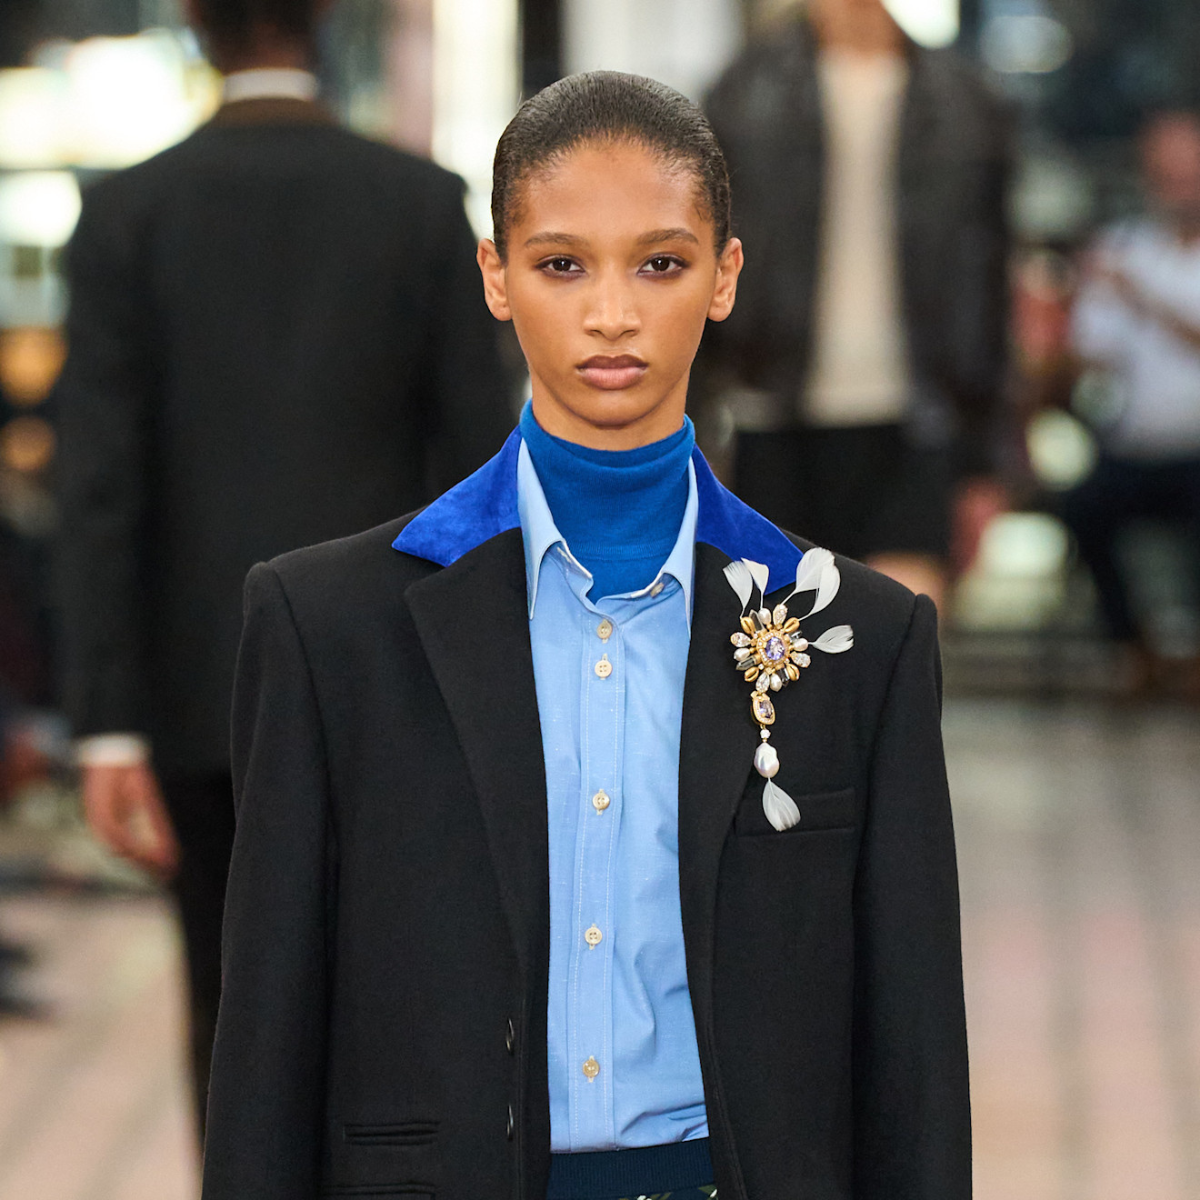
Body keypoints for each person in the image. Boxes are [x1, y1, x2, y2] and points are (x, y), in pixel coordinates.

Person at [202, 71, 969, 1200]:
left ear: (725, 278)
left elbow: (910, 1050)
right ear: (496, 278)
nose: (612, 312)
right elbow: (266, 1041)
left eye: (660, 263)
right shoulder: (329, 629)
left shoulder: (862, 638)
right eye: (563, 264)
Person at [54, 0, 512, 1135]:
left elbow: (99, 485)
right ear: (325, 31)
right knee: (396, 990)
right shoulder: (418, 206)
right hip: (394, 679)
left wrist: (107, 722)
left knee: (227, 995)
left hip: (197, 680)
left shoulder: (125, 214)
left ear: (201, 29)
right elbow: (478, 466)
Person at [701, 0, 1012, 609]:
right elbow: (704, 255)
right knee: (782, 657)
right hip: (775, 408)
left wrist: (984, 461)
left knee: (902, 650)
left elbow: (986, 281)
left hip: (917, 409)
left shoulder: (963, 100)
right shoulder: (745, 89)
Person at [1062, 109, 1200, 694]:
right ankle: (1132, 647)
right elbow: (1091, 351)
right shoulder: (1121, 247)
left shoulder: (1132, 272)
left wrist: (1141, 296)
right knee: (1084, 507)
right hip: (1136, 448)